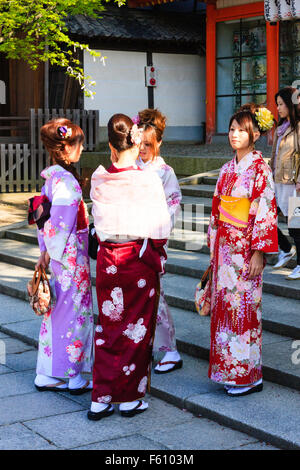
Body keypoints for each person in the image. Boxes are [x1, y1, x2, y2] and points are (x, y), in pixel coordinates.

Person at [89, 114, 171, 420]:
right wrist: (156, 252)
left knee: (109, 328)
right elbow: (161, 227)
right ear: (136, 145)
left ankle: (101, 397)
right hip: (137, 259)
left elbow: (97, 222)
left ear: (111, 148)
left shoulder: (99, 178)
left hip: (108, 260)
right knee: (136, 329)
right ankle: (129, 398)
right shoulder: (147, 178)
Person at [207, 104, 278, 397]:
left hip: (247, 250)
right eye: (232, 129)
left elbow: (266, 211)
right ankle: (228, 371)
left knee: (245, 311)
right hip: (225, 250)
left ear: (255, 135)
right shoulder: (226, 169)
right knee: (225, 310)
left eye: (241, 130)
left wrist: (259, 252)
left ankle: (249, 375)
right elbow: (216, 210)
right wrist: (214, 243)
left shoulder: (260, 169)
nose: (235, 135)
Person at [34, 118, 94, 394]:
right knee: (76, 314)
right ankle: (73, 374)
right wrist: (52, 250)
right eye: (78, 143)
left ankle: (48, 372)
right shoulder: (66, 182)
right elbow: (57, 224)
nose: (81, 148)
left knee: (57, 312)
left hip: (59, 254)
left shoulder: (52, 178)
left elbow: (42, 220)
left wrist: (44, 251)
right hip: (70, 256)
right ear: (67, 148)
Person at [136, 108, 183, 374]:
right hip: (129, 238)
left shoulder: (165, 172)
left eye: (148, 145)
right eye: (139, 143)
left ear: (159, 143)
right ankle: (143, 347)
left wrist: (153, 229)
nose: (142, 149)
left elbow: (173, 206)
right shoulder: (131, 167)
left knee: (155, 295)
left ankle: (169, 349)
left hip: (151, 240)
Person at [270, 87, 300, 279]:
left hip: (293, 184)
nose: (278, 108)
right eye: (277, 104)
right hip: (278, 183)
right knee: (267, 217)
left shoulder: (297, 128)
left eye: (281, 104)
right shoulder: (281, 128)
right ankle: (286, 248)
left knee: (296, 225)